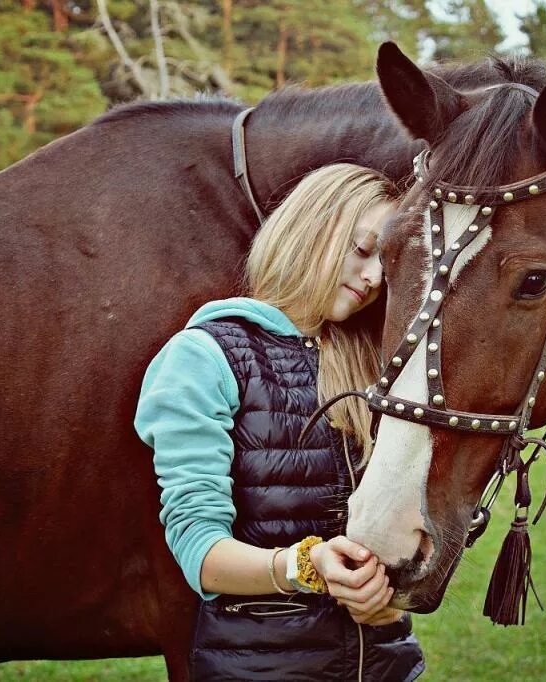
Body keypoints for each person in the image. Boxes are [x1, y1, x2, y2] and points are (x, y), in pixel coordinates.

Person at [135, 163, 425, 680]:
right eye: (362, 250)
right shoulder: (204, 358)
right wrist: (303, 567)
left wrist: (390, 599)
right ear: (312, 228)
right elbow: (200, 552)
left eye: (385, 265)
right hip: (262, 667)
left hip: (383, 665)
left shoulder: (372, 366)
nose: (374, 278)